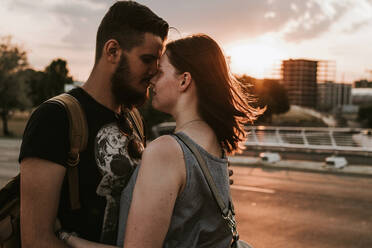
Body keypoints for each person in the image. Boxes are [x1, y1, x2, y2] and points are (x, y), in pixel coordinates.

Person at [62, 34, 261, 248]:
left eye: (160, 72)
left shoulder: (167, 151)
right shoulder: (214, 144)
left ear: (184, 80)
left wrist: (68, 238)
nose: (152, 80)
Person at [18, 1, 169, 247]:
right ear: (112, 51)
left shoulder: (134, 119)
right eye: (147, 59)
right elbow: (36, 240)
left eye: (158, 63)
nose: (155, 71)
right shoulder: (54, 117)